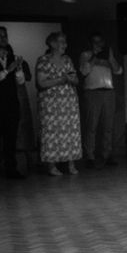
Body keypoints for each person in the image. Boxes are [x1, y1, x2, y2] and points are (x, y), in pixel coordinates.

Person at [36, 32, 82, 176]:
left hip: (68, 103)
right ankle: (51, 166)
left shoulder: (67, 60)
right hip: (51, 104)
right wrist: (61, 80)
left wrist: (72, 79)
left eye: (65, 42)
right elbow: (41, 82)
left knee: (70, 132)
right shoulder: (43, 60)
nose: (65, 45)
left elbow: (76, 80)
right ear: (53, 44)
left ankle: (71, 163)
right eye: (62, 42)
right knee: (52, 133)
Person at [78, 32, 122, 168]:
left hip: (108, 92)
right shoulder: (85, 55)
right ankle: (90, 156)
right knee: (91, 126)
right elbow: (84, 71)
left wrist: (110, 58)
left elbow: (118, 71)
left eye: (100, 41)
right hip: (92, 92)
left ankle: (107, 154)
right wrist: (94, 57)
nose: (99, 44)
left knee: (108, 126)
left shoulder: (109, 56)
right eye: (95, 42)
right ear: (91, 43)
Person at [0, 26, 26, 179]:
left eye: (5, 35)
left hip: (11, 104)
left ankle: (11, 169)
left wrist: (19, 68)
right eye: (0, 36)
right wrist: (8, 70)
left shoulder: (11, 57)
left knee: (11, 138)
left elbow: (21, 81)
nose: (3, 38)